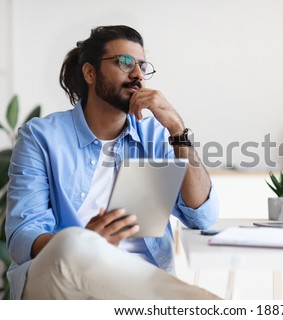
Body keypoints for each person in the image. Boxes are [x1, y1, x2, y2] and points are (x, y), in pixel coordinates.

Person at [5, 25, 220, 299]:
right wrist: (87, 244)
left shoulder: (155, 135)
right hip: (59, 279)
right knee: (72, 243)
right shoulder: (41, 136)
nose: (137, 75)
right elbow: (24, 234)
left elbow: (202, 217)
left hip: (138, 280)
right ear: (90, 72)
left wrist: (178, 131)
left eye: (142, 66)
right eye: (125, 62)